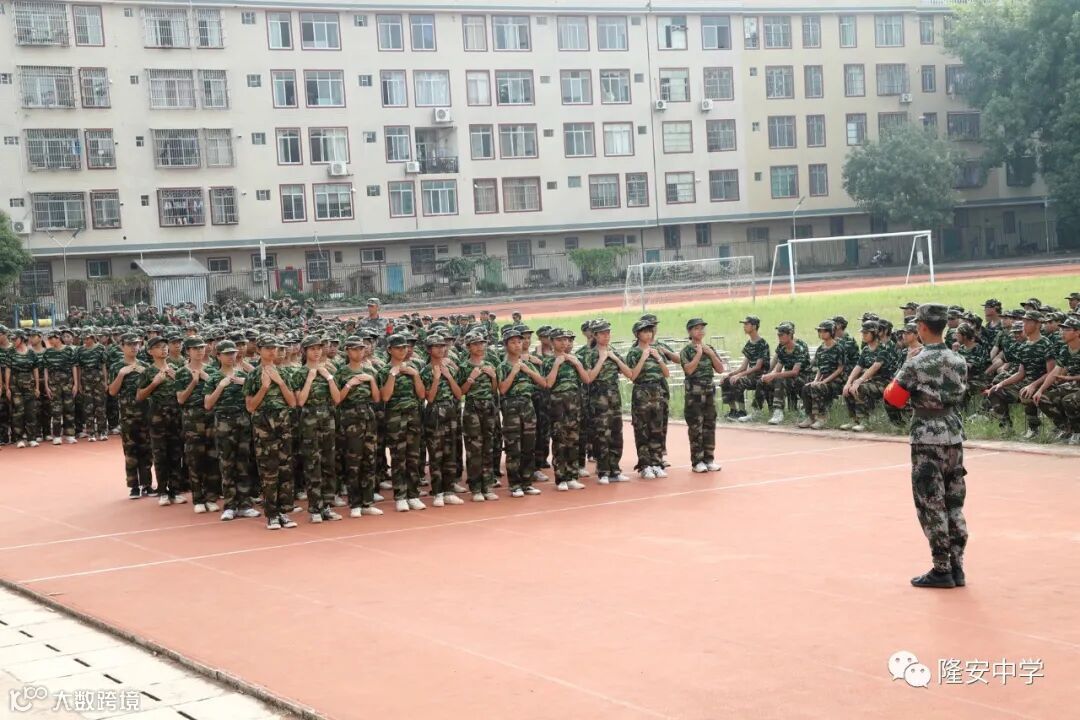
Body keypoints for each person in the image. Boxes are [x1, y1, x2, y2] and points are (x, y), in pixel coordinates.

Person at [888, 303, 969, 589]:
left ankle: (941, 568)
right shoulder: (959, 360)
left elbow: (894, 398)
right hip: (953, 435)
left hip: (926, 436)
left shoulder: (916, 362)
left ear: (922, 327)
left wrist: (904, 365)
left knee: (931, 503)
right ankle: (957, 566)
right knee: (954, 503)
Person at [245, 336, 298, 530]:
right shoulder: (253, 375)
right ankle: (272, 514)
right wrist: (265, 386)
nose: (272, 351)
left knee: (285, 469)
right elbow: (250, 407)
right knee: (269, 471)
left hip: (283, 424)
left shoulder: (283, 372)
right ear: (259, 350)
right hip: (263, 425)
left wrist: (280, 382)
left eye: (274, 348)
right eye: (267, 348)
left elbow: (292, 402)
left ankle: (284, 511)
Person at [204, 340, 259, 521]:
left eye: (233, 353)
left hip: (243, 422)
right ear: (218, 356)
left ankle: (245, 504)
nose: (231, 356)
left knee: (243, 463)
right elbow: (208, 404)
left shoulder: (244, 375)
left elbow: (254, 399)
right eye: (226, 353)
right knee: (227, 464)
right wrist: (221, 386)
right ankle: (230, 505)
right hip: (224, 424)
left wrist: (245, 383)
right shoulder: (213, 377)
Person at [335, 336, 384, 517]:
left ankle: (367, 502)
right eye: (355, 349)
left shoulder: (370, 370)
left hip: (368, 416)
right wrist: (350, 384)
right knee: (353, 462)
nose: (359, 352)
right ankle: (355, 503)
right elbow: (337, 399)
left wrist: (371, 380)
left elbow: (377, 398)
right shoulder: (341, 372)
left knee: (369, 460)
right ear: (347, 351)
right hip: (350, 418)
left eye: (361, 349)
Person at [296, 335, 342, 523]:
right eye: (312, 348)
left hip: (327, 420)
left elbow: (337, 399)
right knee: (312, 465)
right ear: (304, 351)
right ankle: (315, 508)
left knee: (329, 464)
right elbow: (300, 401)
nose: (316, 352)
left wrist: (329, 378)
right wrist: (310, 378)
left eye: (319, 348)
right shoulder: (300, 373)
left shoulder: (328, 370)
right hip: (309, 421)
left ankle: (327, 506)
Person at [377, 333, 426, 512]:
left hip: (413, 416)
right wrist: (393, 374)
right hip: (395, 419)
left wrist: (415, 375)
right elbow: (385, 396)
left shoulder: (414, 368)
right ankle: (400, 496)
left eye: (405, 347)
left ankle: (413, 495)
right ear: (389, 350)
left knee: (413, 457)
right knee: (398, 457)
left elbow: (422, 394)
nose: (403, 350)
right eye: (398, 348)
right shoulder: (384, 371)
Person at [175, 337, 222, 514]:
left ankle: (211, 496)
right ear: (188, 351)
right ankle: (198, 497)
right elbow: (180, 399)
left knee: (212, 457)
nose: (199, 351)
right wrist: (194, 382)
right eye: (195, 349)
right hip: (192, 419)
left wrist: (206, 378)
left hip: (211, 418)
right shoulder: (181, 372)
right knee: (195, 459)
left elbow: (220, 391)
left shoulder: (212, 370)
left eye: (201, 348)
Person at [136, 336, 186, 506]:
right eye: (158, 347)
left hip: (176, 417)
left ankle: (175, 490)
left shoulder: (177, 369)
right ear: (150, 351)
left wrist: (177, 378)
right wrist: (154, 383)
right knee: (160, 455)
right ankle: (163, 491)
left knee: (176, 453)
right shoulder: (148, 372)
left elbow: (185, 392)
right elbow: (140, 396)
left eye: (165, 346)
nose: (163, 349)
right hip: (157, 418)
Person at [497, 326, 547, 496]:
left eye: (519, 342)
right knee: (513, 448)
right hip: (511, 409)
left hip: (528, 407)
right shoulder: (502, 366)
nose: (517, 345)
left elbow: (543, 383)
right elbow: (502, 389)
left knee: (528, 447)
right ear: (506, 345)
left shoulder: (528, 364)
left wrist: (528, 370)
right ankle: (515, 485)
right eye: (513, 342)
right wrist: (514, 372)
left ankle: (527, 482)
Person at [583, 320, 633, 484]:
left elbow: (630, 374)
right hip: (598, 400)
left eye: (608, 333)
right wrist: (601, 359)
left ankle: (615, 470)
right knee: (601, 435)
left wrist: (616, 359)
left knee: (616, 434)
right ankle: (603, 471)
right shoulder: (590, 354)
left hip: (614, 398)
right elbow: (589, 378)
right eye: (602, 333)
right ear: (595, 335)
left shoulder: (614, 352)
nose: (606, 336)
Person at [421, 334, 465, 507]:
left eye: (443, 346)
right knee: (436, 454)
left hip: (450, 410)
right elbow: (430, 398)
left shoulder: (450, 368)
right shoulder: (426, 371)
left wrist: (448, 375)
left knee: (450, 451)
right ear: (429, 350)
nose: (441, 349)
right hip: (434, 412)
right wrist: (437, 378)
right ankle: (438, 492)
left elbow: (459, 394)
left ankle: (449, 491)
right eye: (436, 346)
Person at [543, 328, 589, 491]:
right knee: (560, 441)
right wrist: (556, 364)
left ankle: (572, 476)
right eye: (559, 340)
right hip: (558, 406)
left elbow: (586, 379)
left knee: (573, 441)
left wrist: (577, 364)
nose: (564, 343)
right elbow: (548, 383)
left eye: (566, 340)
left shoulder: (575, 359)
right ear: (552, 342)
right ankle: (561, 477)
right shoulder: (548, 361)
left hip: (574, 405)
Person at [458, 331, 501, 502]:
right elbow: (460, 392)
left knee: (488, 447)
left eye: (482, 343)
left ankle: (488, 486)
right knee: (474, 449)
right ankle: (475, 487)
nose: (480, 347)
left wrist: (493, 376)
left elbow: (494, 389)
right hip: (472, 407)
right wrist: (471, 378)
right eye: (475, 344)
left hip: (488, 407)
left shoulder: (490, 364)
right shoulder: (463, 366)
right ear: (468, 347)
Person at [625, 319, 670, 479]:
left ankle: (657, 463)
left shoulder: (656, 350)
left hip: (657, 391)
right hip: (642, 392)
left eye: (650, 331)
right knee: (642, 430)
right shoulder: (634, 353)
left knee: (657, 429)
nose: (649, 334)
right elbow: (632, 376)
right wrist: (643, 358)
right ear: (637, 334)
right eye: (645, 331)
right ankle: (645, 465)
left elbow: (666, 374)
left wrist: (658, 358)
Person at [681, 318, 724, 473]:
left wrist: (710, 354)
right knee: (695, 428)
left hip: (709, 392)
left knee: (709, 426)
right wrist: (699, 354)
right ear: (690, 331)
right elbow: (688, 370)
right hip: (694, 394)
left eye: (702, 328)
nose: (700, 331)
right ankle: (697, 461)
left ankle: (709, 459)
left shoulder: (709, 348)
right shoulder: (686, 351)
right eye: (696, 328)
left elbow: (720, 369)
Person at [1031, 316, 1080, 443]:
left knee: (1068, 400)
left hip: (1075, 384)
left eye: (1067, 330)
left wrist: (1070, 377)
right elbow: (1055, 372)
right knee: (1042, 398)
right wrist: (1040, 390)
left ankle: (1077, 432)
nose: (1062, 333)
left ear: (1077, 332)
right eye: (1062, 329)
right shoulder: (1065, 349)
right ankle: (1064, 428)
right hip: (1072, 385)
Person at [841, 320, 889, 432]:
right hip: (869, 381)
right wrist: (848, 382)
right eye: (863, 333)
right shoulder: (866, 349)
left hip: (883, 382)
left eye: (866, 333)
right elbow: (858, 366)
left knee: (860, 388)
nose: (863, 335)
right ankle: (854, 420)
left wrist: (860, 380)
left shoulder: (883, 348)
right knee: (848, 389)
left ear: (875, 333)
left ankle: (864, 421)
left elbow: (876, 366)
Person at [760, 322, 810, 425]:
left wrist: (774, 375)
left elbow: (795, 372)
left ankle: (778, 412)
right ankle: (759, 410)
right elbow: (778, 368)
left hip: (802, 378)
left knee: (780, 379)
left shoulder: (799, 349)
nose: (779, 337)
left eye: (781, 335)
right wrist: (768, 376)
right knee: (763, 381)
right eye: (778, 335)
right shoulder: (782, 349)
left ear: (790, 335)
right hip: (788, 377)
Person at [798, 321, 846, 429]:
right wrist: (816, 380)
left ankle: (821, 417)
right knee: (806, 388)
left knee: (818, 388)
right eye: (820, 331)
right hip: (823, 378)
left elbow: (840, 369)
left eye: (824, 331)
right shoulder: (820, 349)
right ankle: (810, 417)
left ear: (831, 332)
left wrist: (824, 381)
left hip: (836, 380)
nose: (821, 333)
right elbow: (820, 368)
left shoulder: (839, 348)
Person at [721, 316, 769, 420]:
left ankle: (742, 411)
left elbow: (758, 366)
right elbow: (743, 367)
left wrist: (739, 375)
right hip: (751, 377)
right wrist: (730, 374)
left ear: (754, 326)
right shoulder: (749, 344)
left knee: (738, 381)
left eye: (746, 324)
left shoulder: (762, 344)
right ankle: (734, 410)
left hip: (760, 377)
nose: (744, 326)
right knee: (726, 381)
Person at [41, 330, 79, 445]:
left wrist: (76, 384)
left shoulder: (69, 350)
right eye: (49, 338)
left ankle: (70, 434)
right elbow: (46, 369)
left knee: (69, 409)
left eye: (52, 338)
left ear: (58, 338)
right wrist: (46, 386)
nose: (50, 341)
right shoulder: (48, 352)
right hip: (53, 385)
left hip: (68, 384)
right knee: (56, 410)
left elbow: (74, 367)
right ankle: (57, 435)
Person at [76, 329, 109, 442]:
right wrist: (79, 383)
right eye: (84, 338)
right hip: (86, 380)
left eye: (88, 338)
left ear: (93, 338)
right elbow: (79, 368)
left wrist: (105, 381)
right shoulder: (80, 350)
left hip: (99, 378)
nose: (86, 340)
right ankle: (91, 432)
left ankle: (102, 431)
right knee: (88, 407)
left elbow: (103, 365)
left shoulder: (100, 348)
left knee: (100, 406)